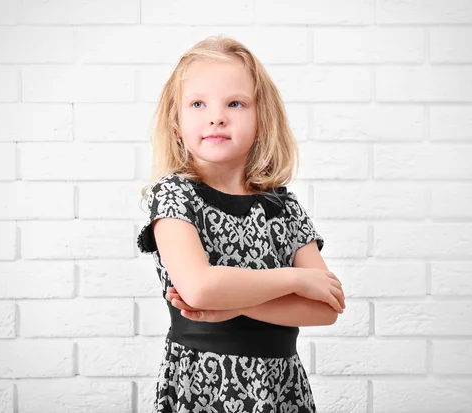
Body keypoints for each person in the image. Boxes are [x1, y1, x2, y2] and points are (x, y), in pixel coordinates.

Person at [137, 35, 346, 413]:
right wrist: (296, 280)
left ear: (262, 120)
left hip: (281, 388)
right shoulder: (173, 196)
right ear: (176, 123)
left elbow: (326, 307)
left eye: (235, 103)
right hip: (202, 386)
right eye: (198, 103)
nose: (216, 116)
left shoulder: (282, 205)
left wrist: (235, 307)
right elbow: (200, 288)